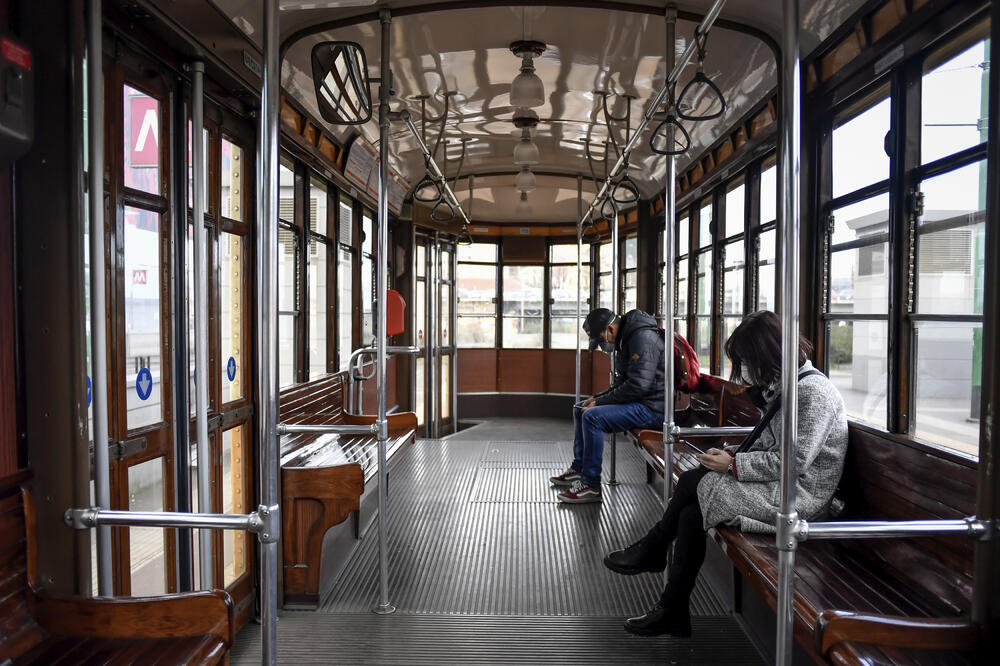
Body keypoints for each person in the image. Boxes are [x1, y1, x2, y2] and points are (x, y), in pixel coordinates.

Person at [602, 310, 847, 636]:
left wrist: (732, 465)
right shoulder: (788, 385)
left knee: (693, 484)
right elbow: (770, 444)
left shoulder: (812, 393)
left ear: (766, 353)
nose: (745, 369)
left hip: (799, 497)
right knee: (691, 512)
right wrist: (731, 455)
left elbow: (795, 462)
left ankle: (655, 551)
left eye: (747, 360)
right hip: (778, 485)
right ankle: (671, 605)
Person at [550, 307, 669, 504]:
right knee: (581, 408)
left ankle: (591, 485)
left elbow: (638, 386)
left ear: (610, 329)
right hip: (640, 401)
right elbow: (623, 383)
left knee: (592, 416)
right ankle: (580, 468)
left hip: (653, 409)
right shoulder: (627, 337)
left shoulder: (642, 339)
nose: (602, 346)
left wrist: (600, 401)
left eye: (601, 340)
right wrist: (597, 398)